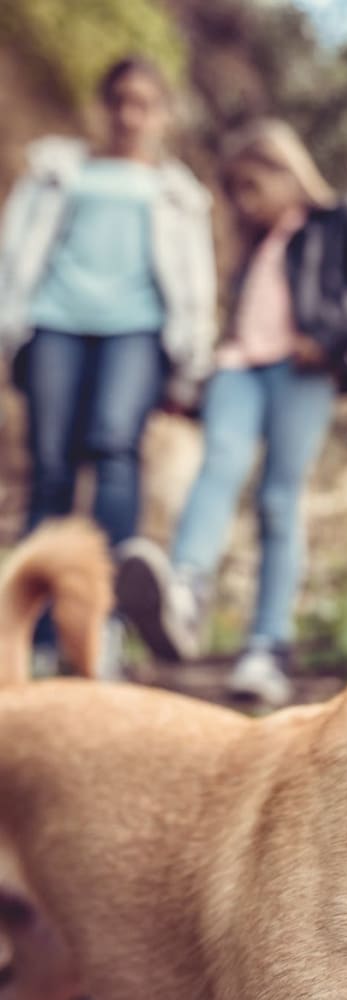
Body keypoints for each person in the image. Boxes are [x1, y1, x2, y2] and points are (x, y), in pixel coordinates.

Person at [116, 118, 347, 707]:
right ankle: (185, 595)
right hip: (240, 368)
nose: (244, 203)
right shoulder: (255, 249)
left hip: (302, 369)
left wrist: (327, 337)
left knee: (278, 499)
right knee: (218, 465)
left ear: (285, 170)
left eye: (251, 186)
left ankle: (267, 646)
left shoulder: (339, 217)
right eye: (236, 191)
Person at [0, 56, 217, 678]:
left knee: (116, 453)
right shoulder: (56, 171)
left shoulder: (178, 194)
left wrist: (190, 364)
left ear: (163, 115)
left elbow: (196, 285)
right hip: (53, 324)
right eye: (120, 100)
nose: (129, 114)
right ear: (104, 104)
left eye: (144, 103)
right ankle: (37, 637)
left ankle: (105, 629)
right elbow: (17, 254)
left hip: (138, 332)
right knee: (49, 470)